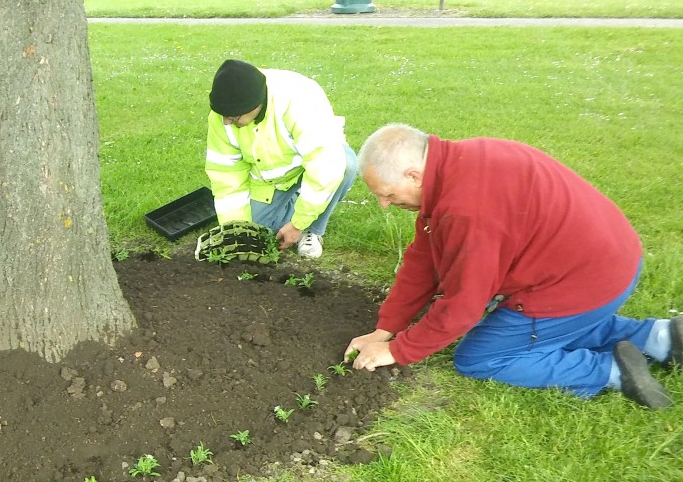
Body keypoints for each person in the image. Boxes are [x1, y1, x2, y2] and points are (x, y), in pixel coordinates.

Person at [345, 123, 678, 409]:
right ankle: (659, 338)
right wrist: (385, 328)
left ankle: (611, 371)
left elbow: (463, 305)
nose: (384, 205)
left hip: (581, 282)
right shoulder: (460, 162)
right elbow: (423, 260)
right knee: (549, 328)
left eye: (387, 194)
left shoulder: (466, 211)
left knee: (481, 357)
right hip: (609, 258)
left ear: (413, 175)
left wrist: (399, 350)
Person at [205, 59, 357, 259]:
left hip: (314, 163)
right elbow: (226, 176)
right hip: (272, 181)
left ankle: (313, 229)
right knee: (257, 230)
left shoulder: (299, 101)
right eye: (223, 116)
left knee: (345, 165)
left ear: (254, 105)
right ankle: (306, 201)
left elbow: (325, 166)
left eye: (232, 118)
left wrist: (298, 225)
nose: (226, 122)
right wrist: (236, 232)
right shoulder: (225, 111)